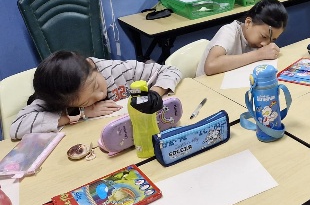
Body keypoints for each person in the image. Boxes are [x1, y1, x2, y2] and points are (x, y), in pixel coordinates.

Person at [11, 50, 182, 140]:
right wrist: (82, 113)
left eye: (96, 85)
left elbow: (169, 70)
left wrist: (154, 94)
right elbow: (17, 127)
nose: (100, 95)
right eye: (87, 101)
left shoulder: (114, 71)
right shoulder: (56, 96)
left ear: (91, 65)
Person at [196, 0, 288, 76]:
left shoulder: (258, 42)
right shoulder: (229, 31)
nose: (265, 44)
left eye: (272, 40)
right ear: (248, 23)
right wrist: (258, 55)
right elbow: (211, 65)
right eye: (263, 36)